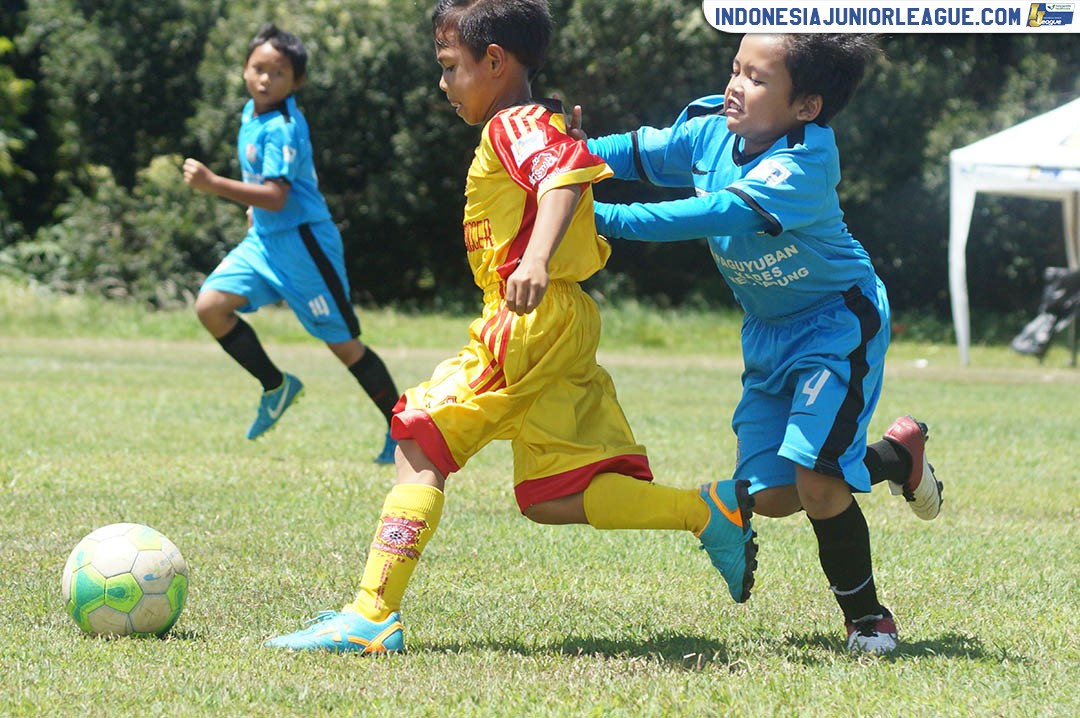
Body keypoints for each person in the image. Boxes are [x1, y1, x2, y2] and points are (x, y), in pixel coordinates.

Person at [264, 0, 758, 654]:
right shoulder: (539, 122)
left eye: (450, 67)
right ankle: (705, 510)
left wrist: (532, 257)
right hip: (565, 319)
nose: (444, 84)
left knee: (418, 436)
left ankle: (371, 615)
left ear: (494, 61)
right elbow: (562, 171)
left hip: (528, 315)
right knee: (552, 495)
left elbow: (557, 179)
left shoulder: (512, 125)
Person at [572, 34, 942, 654]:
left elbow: (707, 215)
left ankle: (868, 618)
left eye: (758, 78)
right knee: (772, 498)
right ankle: (895, 458)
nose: (735, 86)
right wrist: (560, 156)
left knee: (818, 482)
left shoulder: (804, 162)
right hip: (768, 334)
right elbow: (632, 152)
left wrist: (592, 216)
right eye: (735, 68)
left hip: (836, 326)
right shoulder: (713, 127)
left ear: (806, 106)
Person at [183, 23, 399, 463]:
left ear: (296, 82)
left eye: (278, 73)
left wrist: (212, 184)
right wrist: (251, 208)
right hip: (264, 241)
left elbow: (279, 196)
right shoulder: (251, 113)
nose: (265, 79)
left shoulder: (283, 124)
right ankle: (276, 385)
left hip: (304, 247)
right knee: (210, 306)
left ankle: (403, 433)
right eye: (257, 68)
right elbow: (266, 188)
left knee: (344, 347)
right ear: (244, 69)